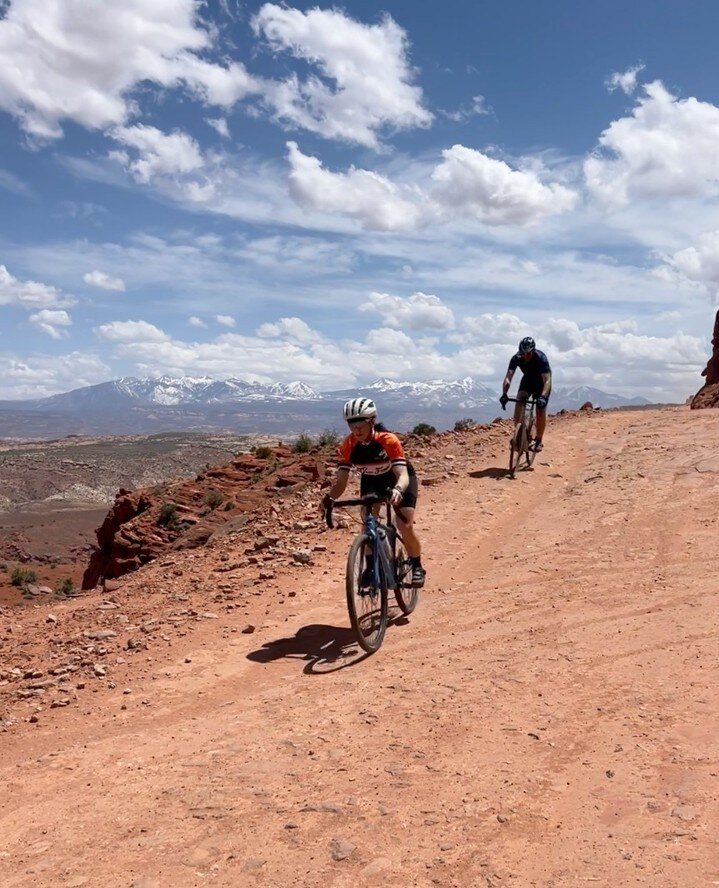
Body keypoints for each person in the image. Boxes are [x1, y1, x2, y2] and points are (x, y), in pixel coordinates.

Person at [321, 397, 426, 587]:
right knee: (367, 522)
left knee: (405, 525)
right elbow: (341, 483)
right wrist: (329, 498)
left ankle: (416, 565)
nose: (356, 430)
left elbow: (402, 474)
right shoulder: (348, 445)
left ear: (371, 421)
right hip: (371, 480)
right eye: (352, 425)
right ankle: (371, 567)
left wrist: (398, 490)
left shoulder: (387, 440)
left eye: (360, 424)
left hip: (397, 479)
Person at [499, 336, 552, 451]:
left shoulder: (541, 358)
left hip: (541, 384)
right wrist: (504, 393)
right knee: (519, 401)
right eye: (522, 353)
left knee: (540, 410)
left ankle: (538, 440)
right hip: (527, 381)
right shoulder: (516, 358)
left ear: (533, 351)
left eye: (527, 353)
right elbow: (508, 377)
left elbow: (547, 380)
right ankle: (520, 434)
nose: (525, 356)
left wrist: (543, 397)